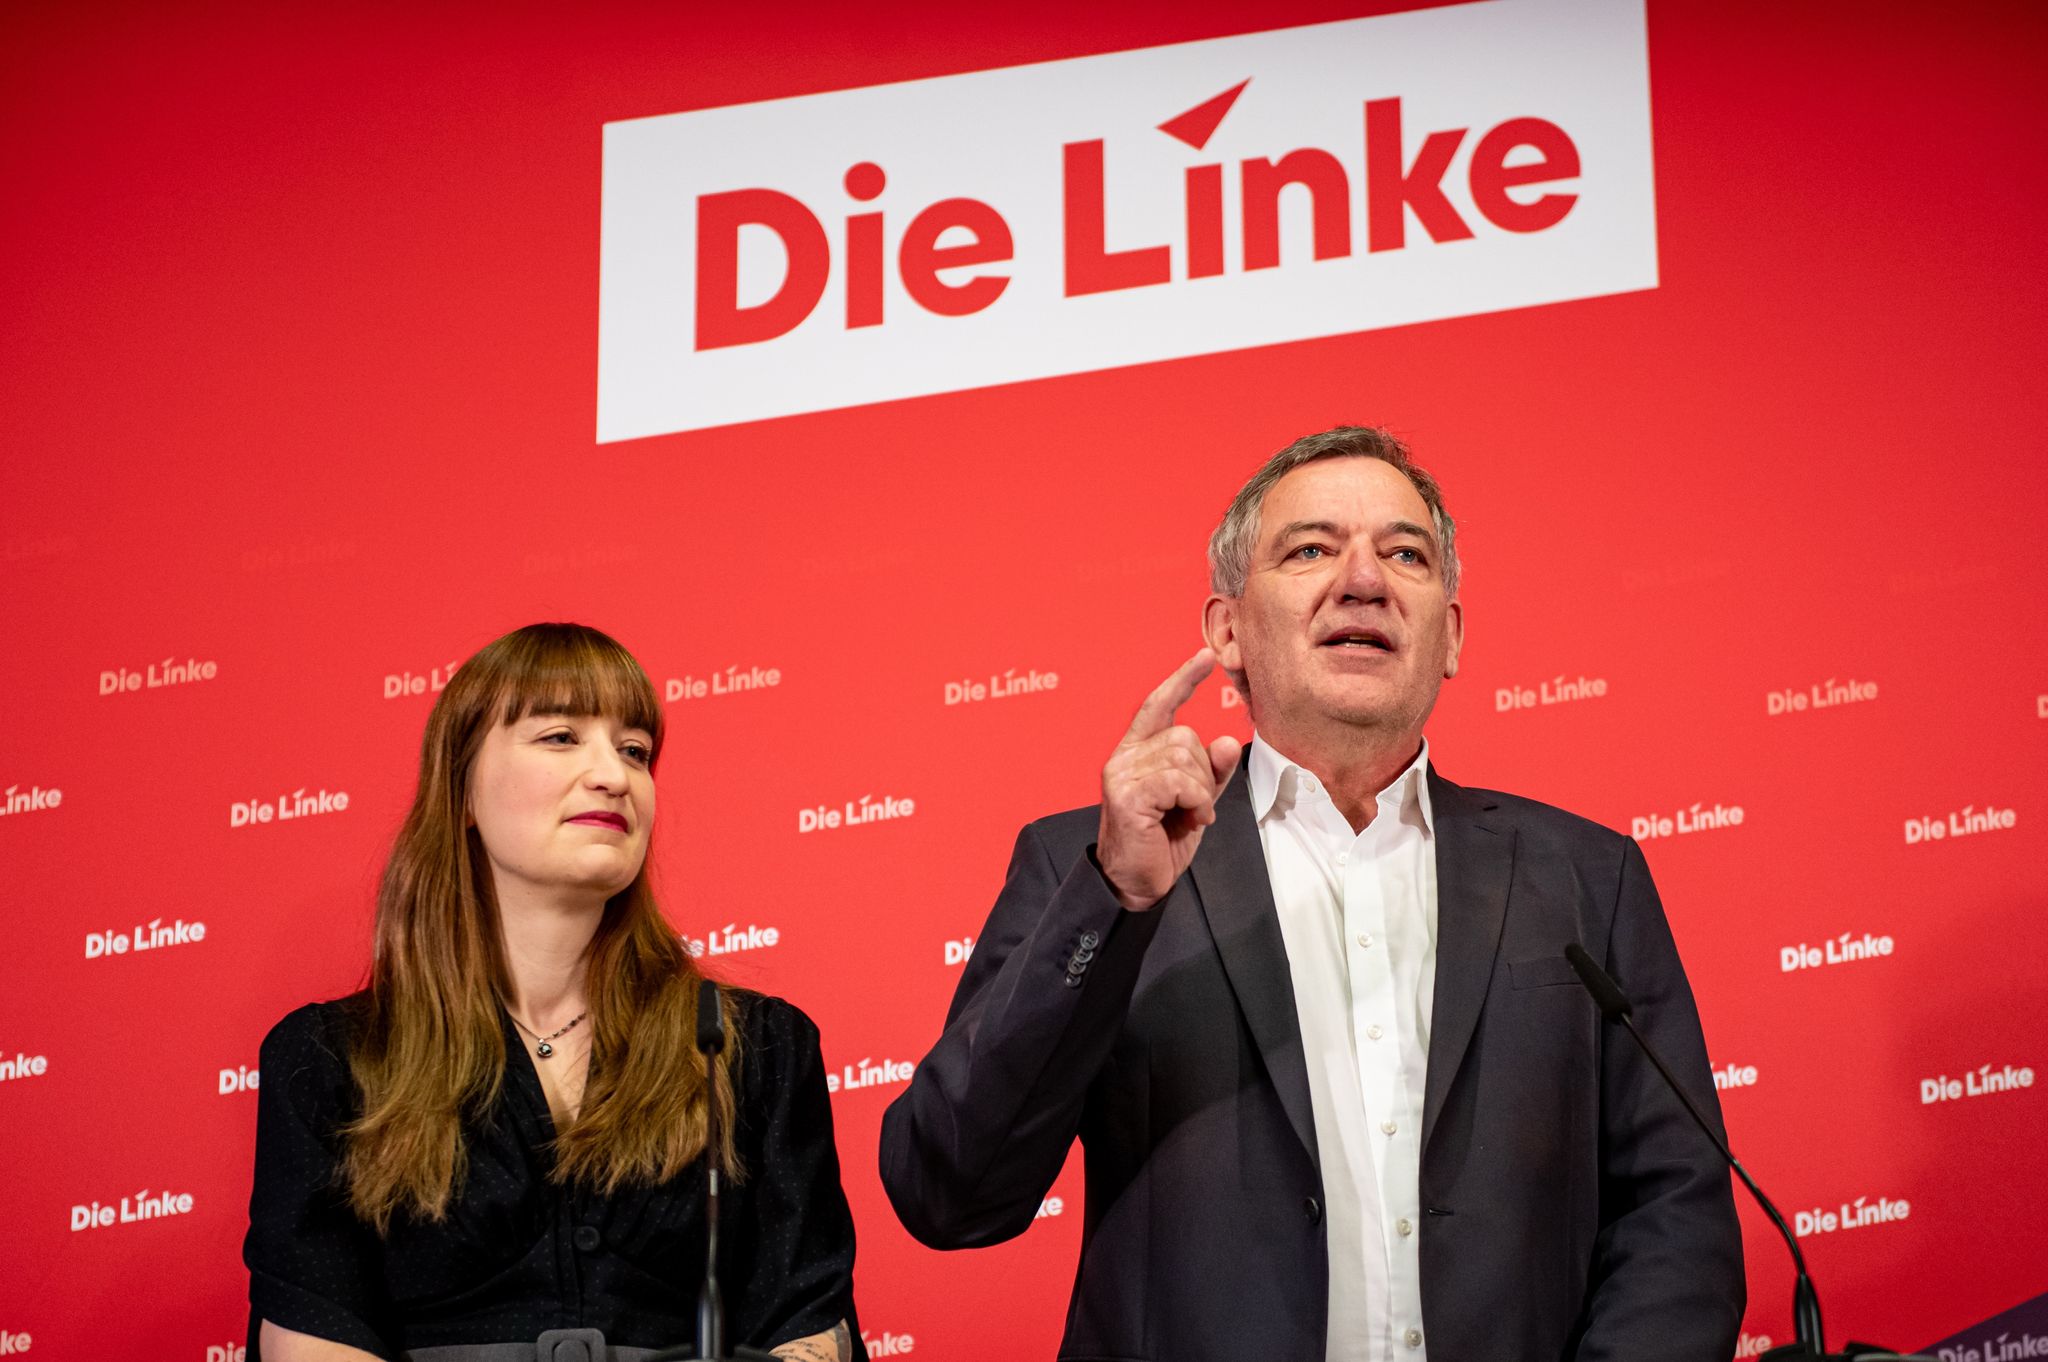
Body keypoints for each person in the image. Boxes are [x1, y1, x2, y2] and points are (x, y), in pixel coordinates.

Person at [879, 427, 1744, 1361]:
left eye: (1405, 554)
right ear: (1228, 632)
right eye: (1311, 549)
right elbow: (948, 1193)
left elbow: (1677, 1214)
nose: (1364, 579)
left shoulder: (1585, 877)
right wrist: (1112, 901)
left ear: (1449, 636)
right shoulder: (1087, 868)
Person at [245, 622, 862, 1362]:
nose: (614, 775)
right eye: (562, 737)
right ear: (462, 787)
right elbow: (312, 1336)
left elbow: (811, 1325)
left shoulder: (753, 1045)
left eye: (635, 750)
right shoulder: (329, 1058)